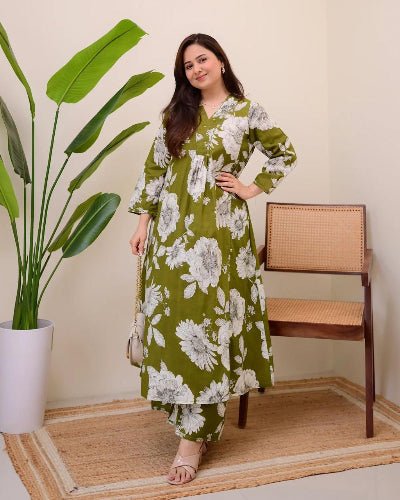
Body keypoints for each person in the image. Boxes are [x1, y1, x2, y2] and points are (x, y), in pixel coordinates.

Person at [128, 33, 297, 485]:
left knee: (209, 328)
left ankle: (192, 440)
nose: (196, 69)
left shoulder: (247, 111)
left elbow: (284, 153)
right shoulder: (176, 114)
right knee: (175, 325)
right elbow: (155, 169)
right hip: (172, 234)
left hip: (221, 236)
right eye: (188, 65)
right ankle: (190, 424)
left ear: (221, 61)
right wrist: (143, 224)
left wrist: (250, 187)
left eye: (202, 59)